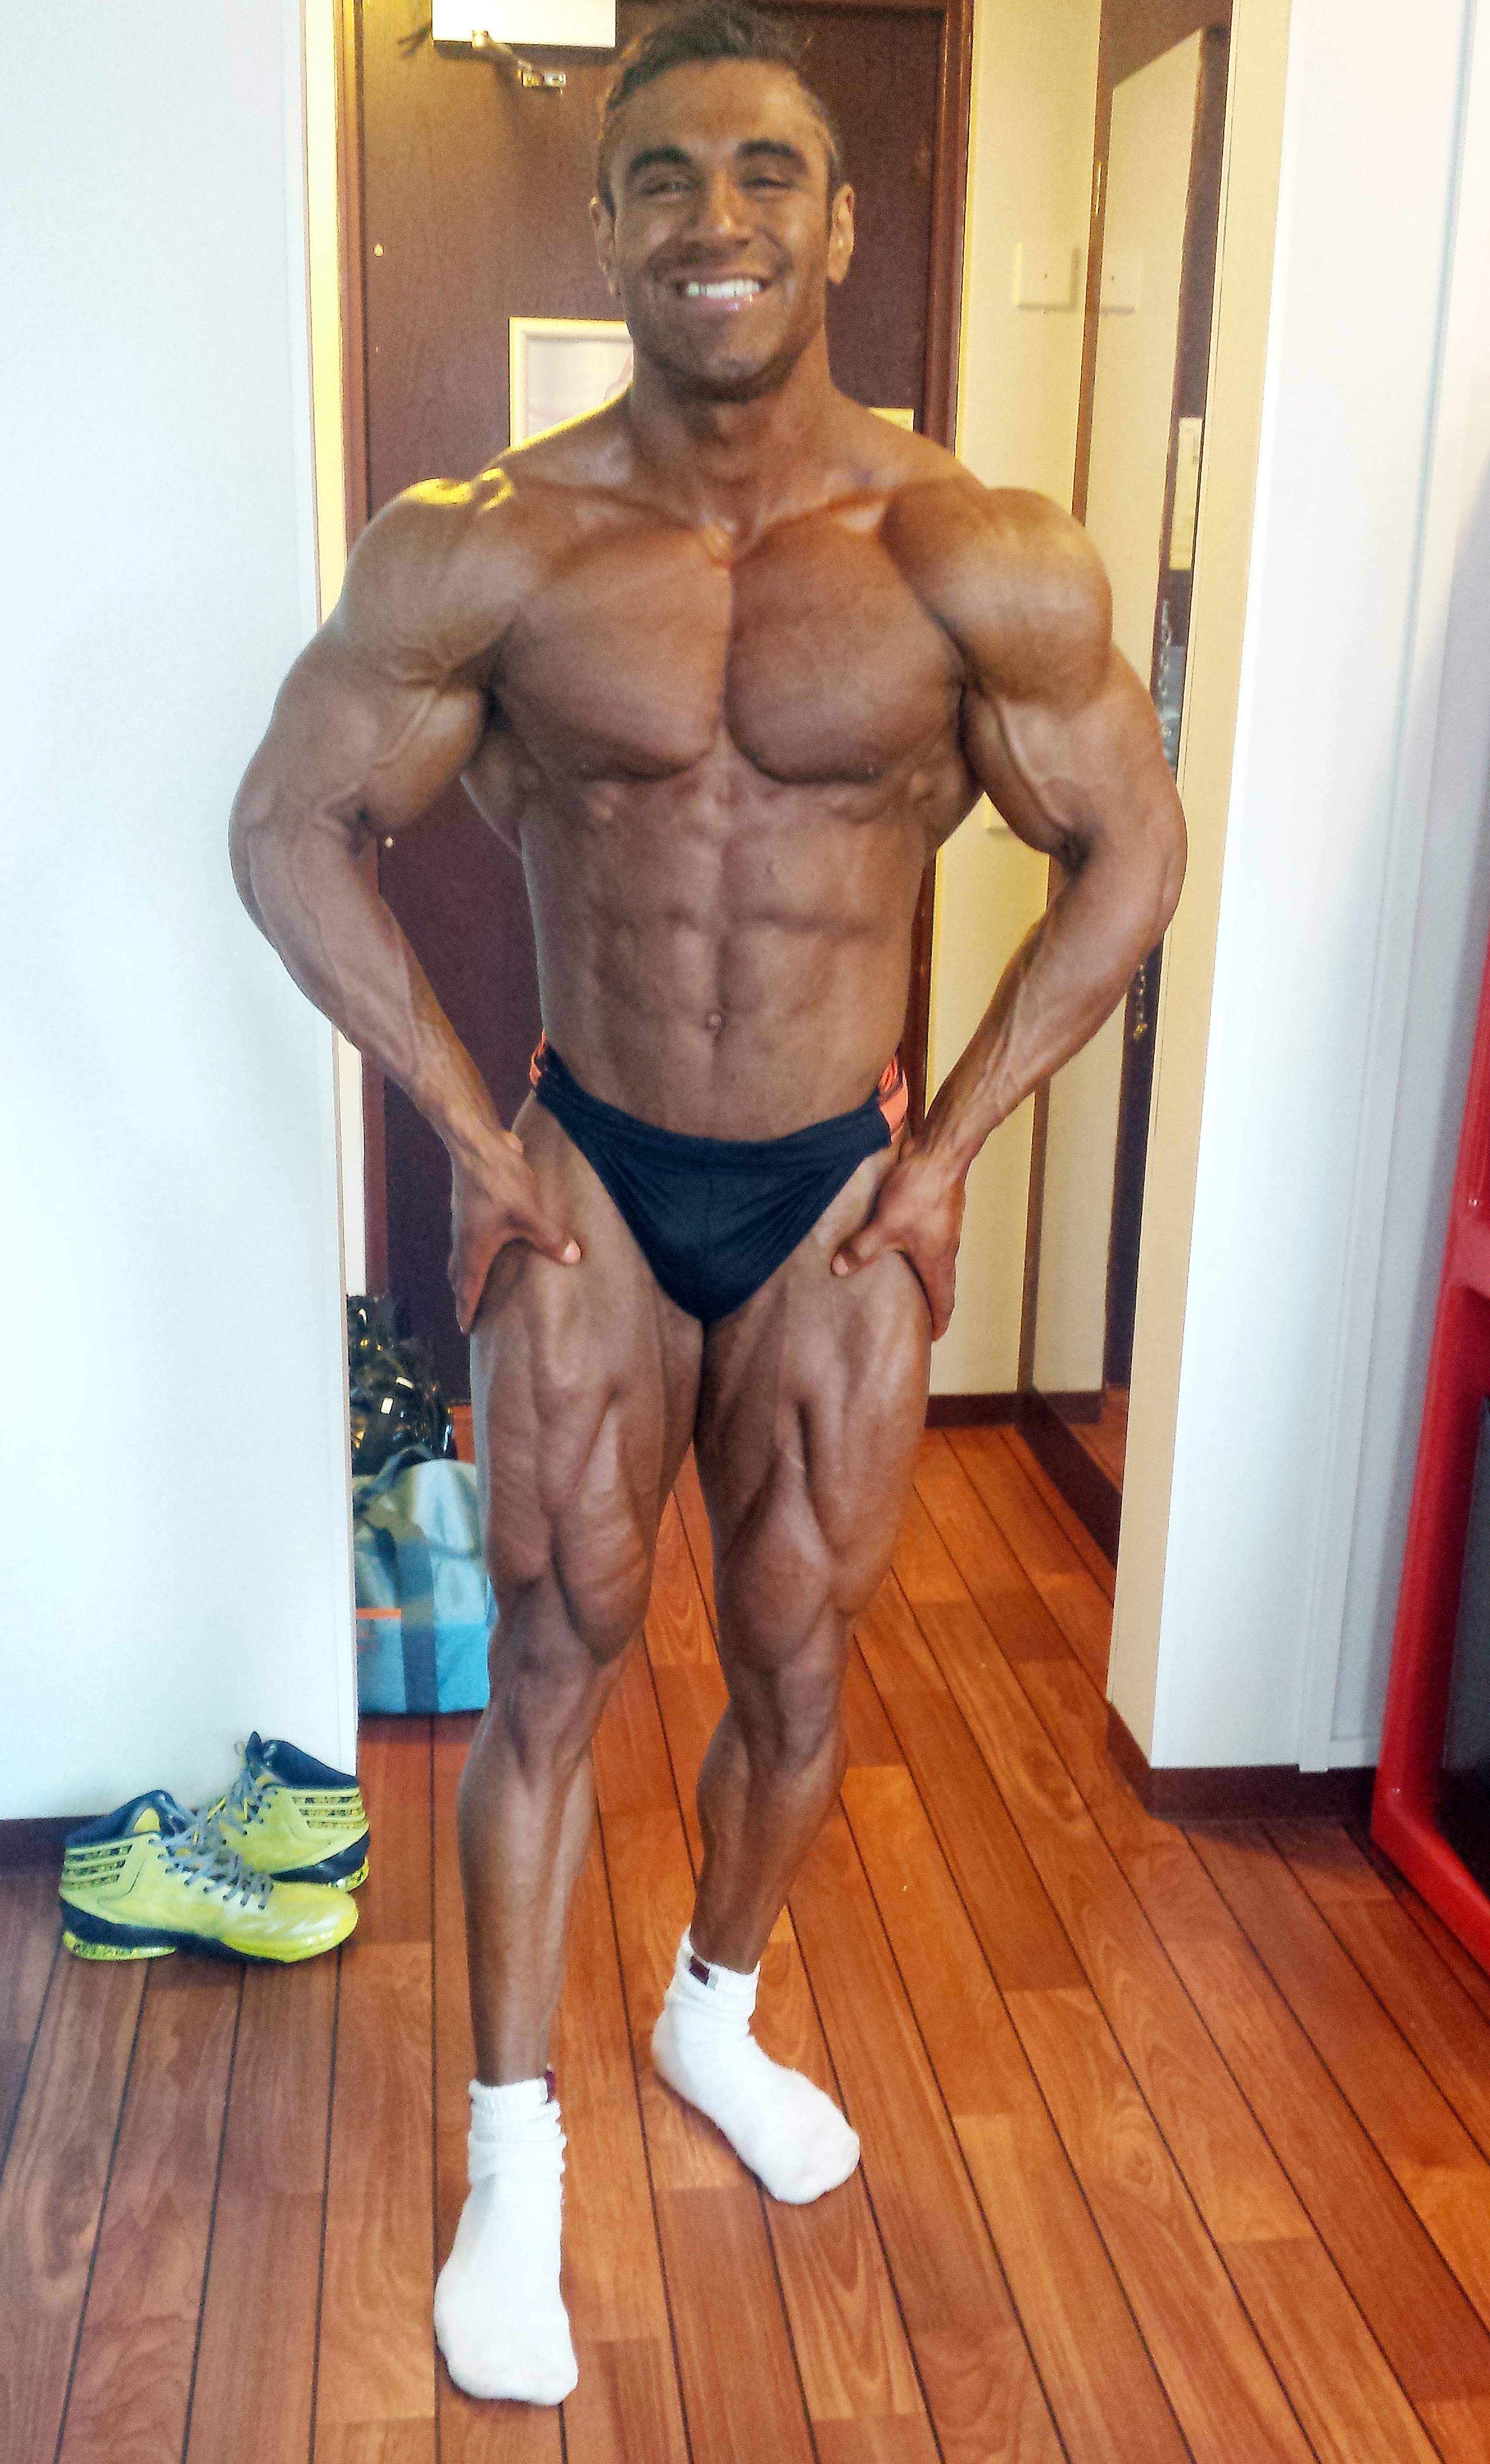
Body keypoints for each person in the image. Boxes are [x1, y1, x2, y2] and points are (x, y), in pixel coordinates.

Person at [230, 0, 1186, 2408]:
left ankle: (713, 2014)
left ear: (839, 226)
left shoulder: (976, 554)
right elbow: (287, 827)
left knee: (795, 1660)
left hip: (839, 1181)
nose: (716, 220)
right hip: (598, 1169)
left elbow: (1130, 849)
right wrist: (471, 1136)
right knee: (551, 1666)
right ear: (606, 226)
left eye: (766, 173)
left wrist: (946, 1153)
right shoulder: (491, 546)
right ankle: (513, 2159)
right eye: (663, 177)